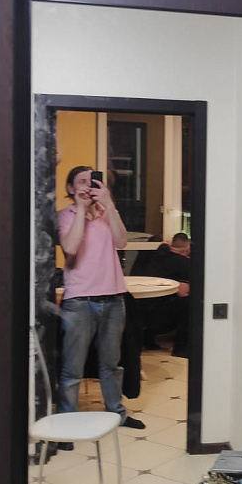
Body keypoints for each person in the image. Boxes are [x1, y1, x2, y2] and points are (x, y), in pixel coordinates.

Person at [57, 165, 145, 429]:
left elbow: (122, 241)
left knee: (111, 364)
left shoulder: (107, 213)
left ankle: (117, 413)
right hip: (79, 301)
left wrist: (108, 204)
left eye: (91, 181)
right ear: (70, 188)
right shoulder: (65, 215)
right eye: (81, 181)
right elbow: (70, 247)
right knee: (73, 367)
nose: (87, 185)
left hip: (114, 298)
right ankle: (66, 422)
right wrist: (81, 209)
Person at [133, 232, 191, 357]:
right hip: (162, 317)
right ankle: (181, 348)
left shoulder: (154, 257)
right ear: (187, 249)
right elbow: (183, 292)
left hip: (140, 311)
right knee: (190, 303)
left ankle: (148, 340)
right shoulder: (184, 263)